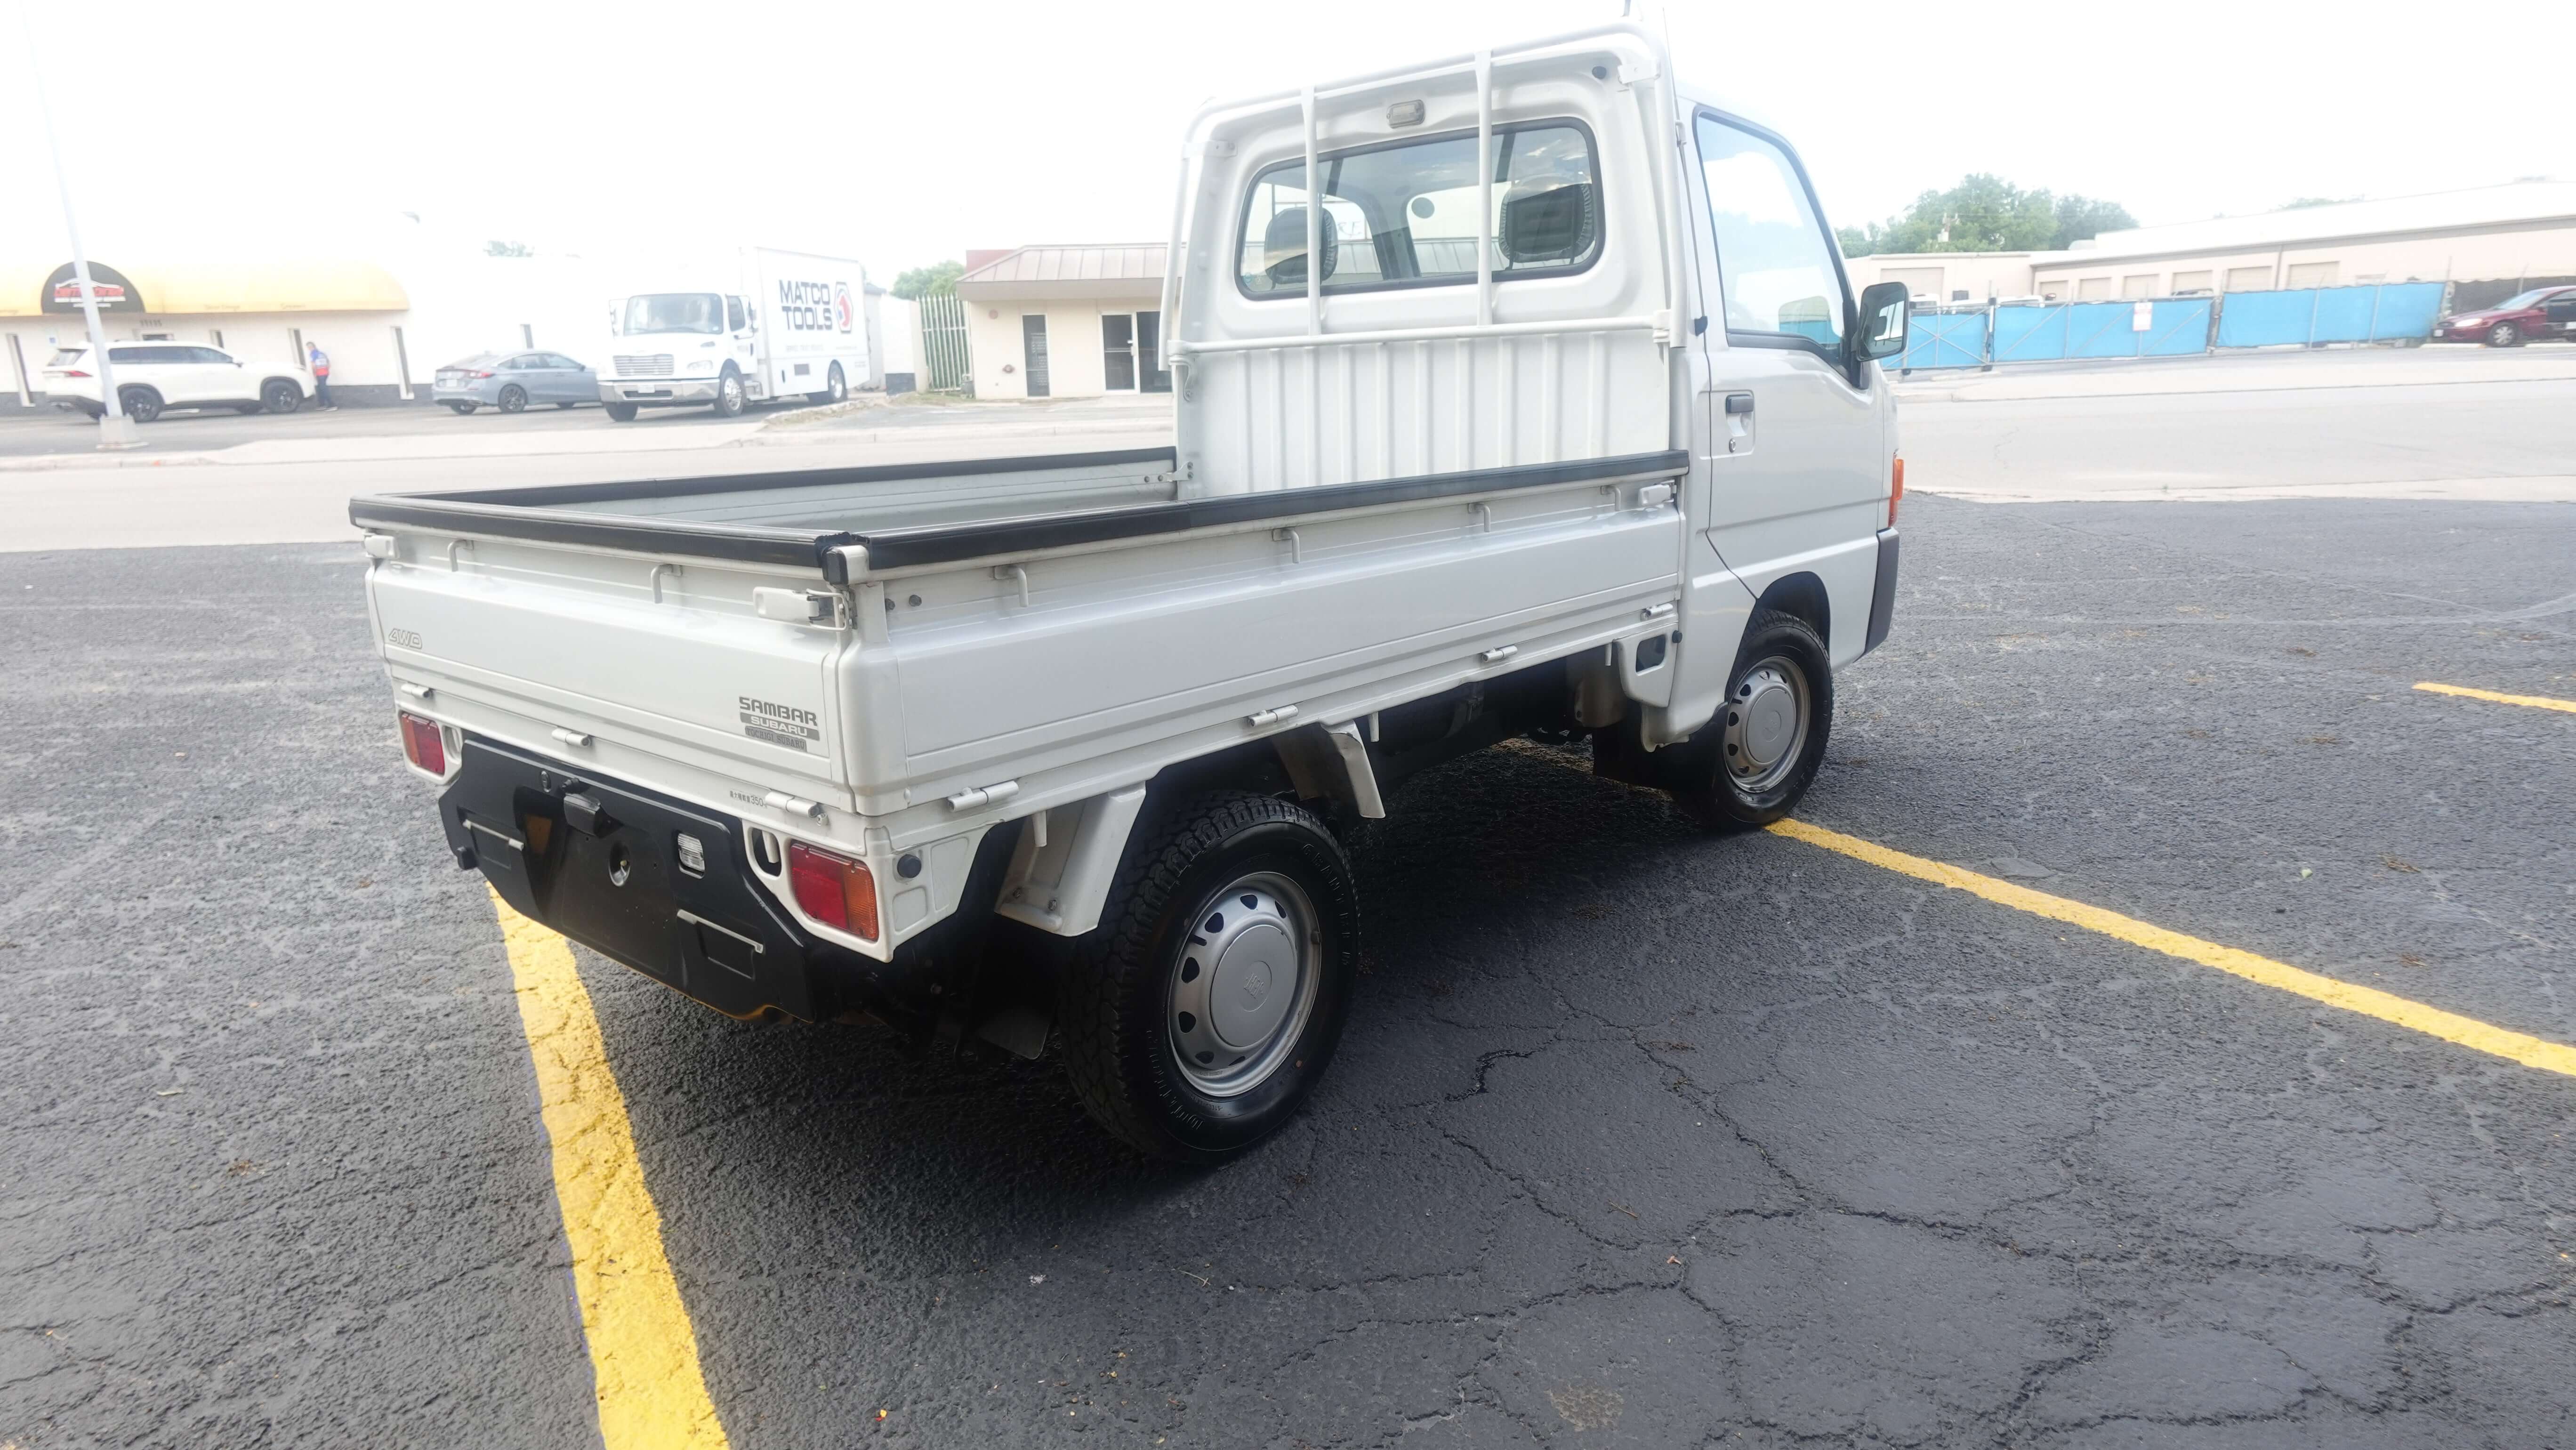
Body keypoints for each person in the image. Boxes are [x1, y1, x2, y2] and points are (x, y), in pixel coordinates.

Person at [307, 341, 337, 410]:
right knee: (320, 389)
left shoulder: (313, 354)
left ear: (311, 347)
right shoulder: (323, 354)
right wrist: (326, 371)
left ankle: (332, 405)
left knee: (324, 389)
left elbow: (313, 365)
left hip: (320, 373)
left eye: (308, 348)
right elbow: (329, 364)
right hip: (325, 373)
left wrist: (314, 373)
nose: (308, 349)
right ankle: (322, 405)